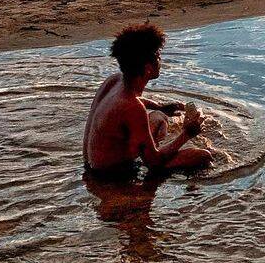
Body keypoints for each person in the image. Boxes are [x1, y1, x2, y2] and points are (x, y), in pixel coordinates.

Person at [83, 21, 213, 176]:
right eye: (158, 56)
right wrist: (187, 134)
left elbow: (122, 106)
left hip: (91, 163)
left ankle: (150, 146)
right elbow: (153, 162)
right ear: (148, 68)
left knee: (159, 117)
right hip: (113, 175)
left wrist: (159, 106)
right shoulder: (132, 107)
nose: (160, 60)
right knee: (203, 156)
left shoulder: (114, 81)